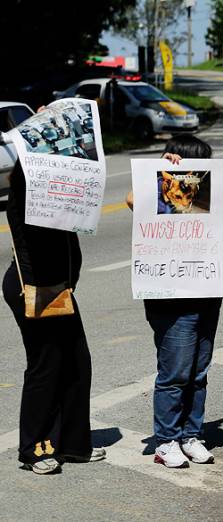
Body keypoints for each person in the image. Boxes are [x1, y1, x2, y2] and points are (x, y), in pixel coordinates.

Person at [125, 135, 223, 468]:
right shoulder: (157, 189)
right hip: (171, 299)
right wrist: (162, 171)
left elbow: (218, 201)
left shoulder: (198, 194)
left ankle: (189, 435)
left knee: (198, 372)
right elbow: (131, 199)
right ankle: (165, 440)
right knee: (176, 373)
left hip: (205, 291)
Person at [3, 160, 106, 474]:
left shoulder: (58, 182)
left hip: (57, 287)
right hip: (34, 286)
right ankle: (35, 449)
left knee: (76, 361)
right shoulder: (28, 180)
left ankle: (74, 446)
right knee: (45, 365)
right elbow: (22, 202)